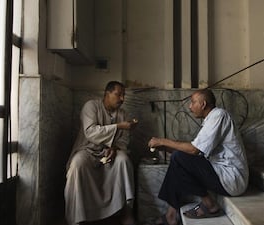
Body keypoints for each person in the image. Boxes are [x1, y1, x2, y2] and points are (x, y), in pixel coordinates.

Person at [147, 89, 249, 225]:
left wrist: (162, 141)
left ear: (203, 104)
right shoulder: (210, 119)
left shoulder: (219, 115)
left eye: (193, 102)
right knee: (177, 159)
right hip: (220, 172)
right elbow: (193, 153)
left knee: (179, 157)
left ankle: (209, 204)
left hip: (232, 178)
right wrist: (165, 147)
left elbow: (194, 150)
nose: (190, 106)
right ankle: (171, 215)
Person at [64, 81, 137, 225]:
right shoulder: (91, 106)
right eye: (118, 94)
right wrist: (118, 126)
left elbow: (123, 140)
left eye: (123, 95)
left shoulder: (123, 114)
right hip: (87, 150)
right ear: (107, 93)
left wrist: (114, 148)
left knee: (123, 160)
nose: (122, 98)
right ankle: (78, 217)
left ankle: (126, 213)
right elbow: (90, 132)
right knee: (77, 163)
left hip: (111, 152)